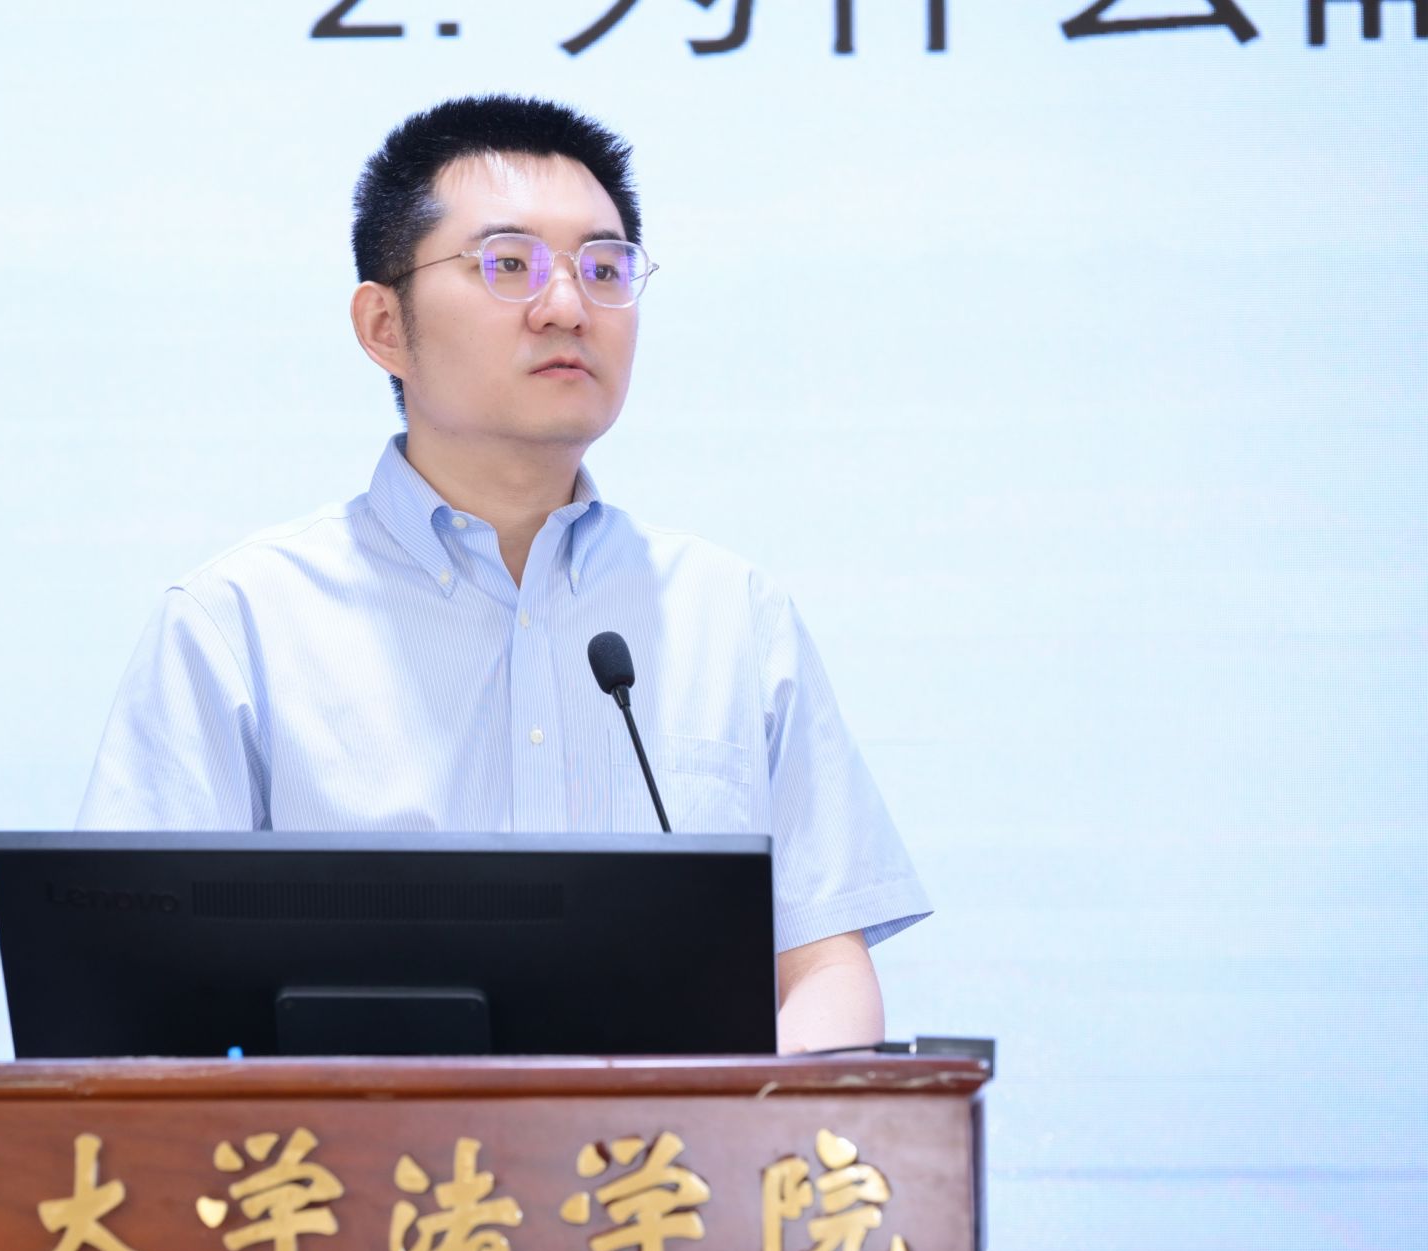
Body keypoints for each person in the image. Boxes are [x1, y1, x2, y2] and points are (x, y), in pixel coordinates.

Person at [77, 95, 930, 1052]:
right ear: (384, 324)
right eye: (508, 264)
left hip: (669, 1154)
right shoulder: (240, 624)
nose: (567, 306)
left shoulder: (730, 614)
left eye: (604, 268)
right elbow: (132, 995)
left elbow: (823, 972)